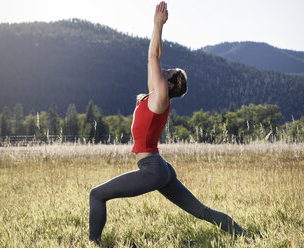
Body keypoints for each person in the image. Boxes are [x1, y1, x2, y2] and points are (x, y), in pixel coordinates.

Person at [89, 1, 248, 245]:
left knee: (97, 195)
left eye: (169, 71)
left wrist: (157, 24)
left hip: (152, 169)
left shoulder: (161, 97)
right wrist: (157, 29)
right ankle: (246, 235)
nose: (164, 70)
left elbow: (153, 56)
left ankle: (93, 243)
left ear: (171, 85)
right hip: (159, 168)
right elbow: (153, 59)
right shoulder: (154, 97)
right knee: (201, 211)